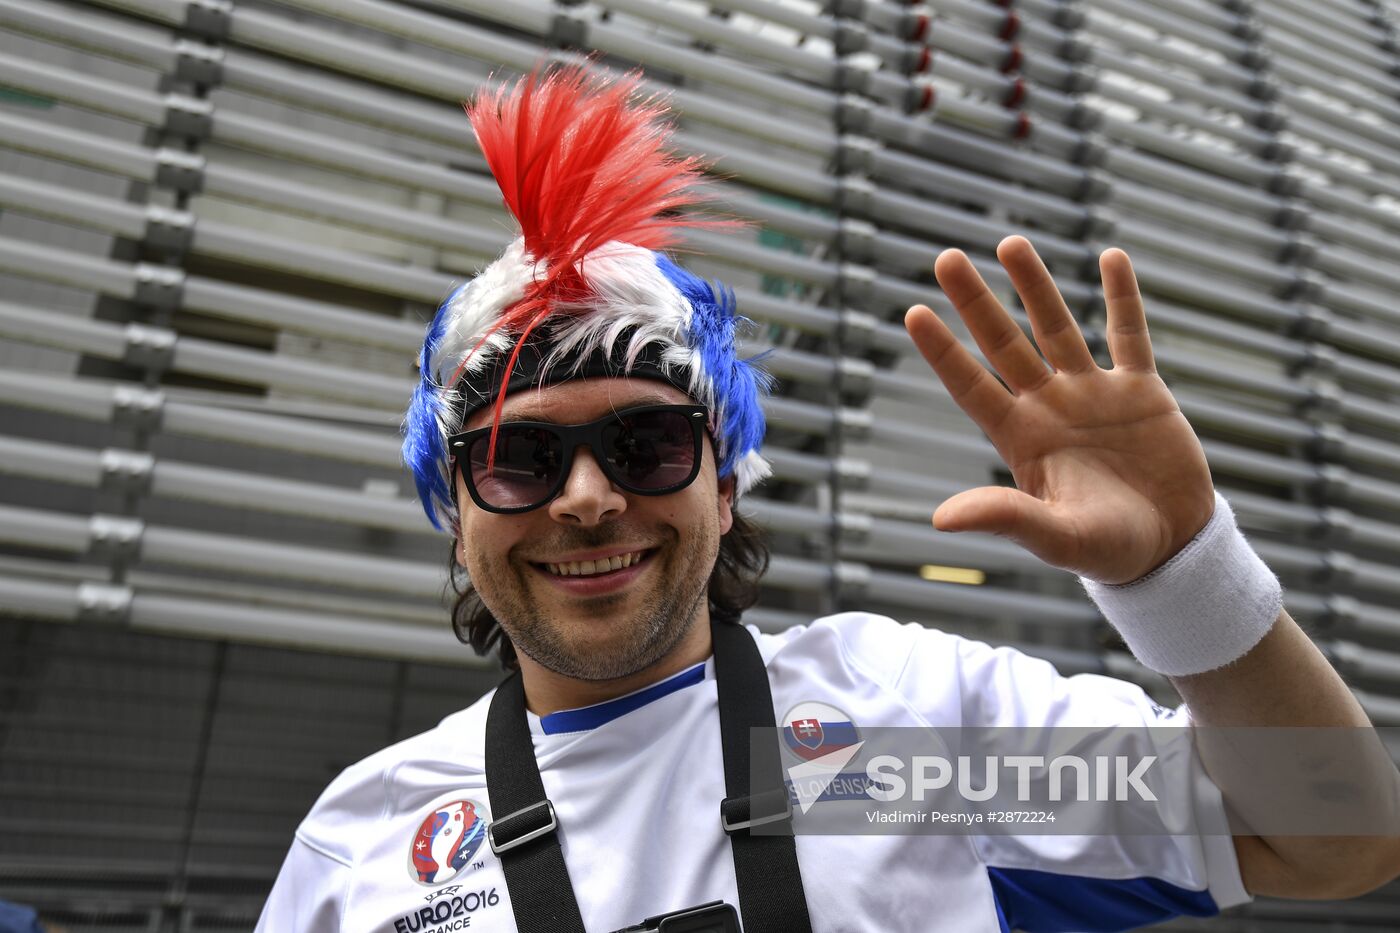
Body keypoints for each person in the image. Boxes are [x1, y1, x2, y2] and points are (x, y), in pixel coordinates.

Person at [256, 66, 1400, 932]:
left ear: (724, 479)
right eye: (519, 460)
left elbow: (1333, 835)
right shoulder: (372, 839)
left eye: (646, 443)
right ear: (454, 509)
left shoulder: (877, 736)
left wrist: (1182, 573)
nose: (590, 499)